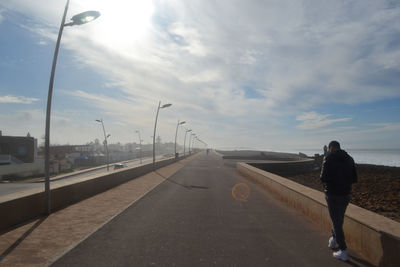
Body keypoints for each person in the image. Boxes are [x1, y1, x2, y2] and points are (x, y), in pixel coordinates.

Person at [320, 141, 357, 261]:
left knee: (336, 222)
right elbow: (354, 178)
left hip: (332, 195)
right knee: (338, 219)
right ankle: (333, 239)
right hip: (345, 194)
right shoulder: (350, 158)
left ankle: (343, 250)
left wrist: (325, 157)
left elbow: (323, 178)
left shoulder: (329, 158)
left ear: (331, 148)